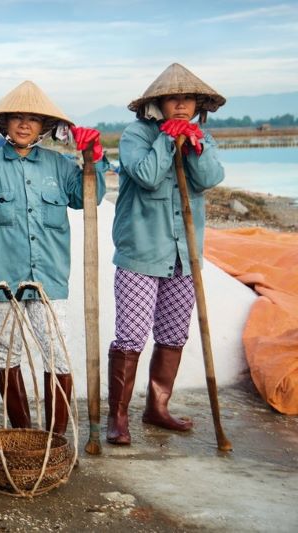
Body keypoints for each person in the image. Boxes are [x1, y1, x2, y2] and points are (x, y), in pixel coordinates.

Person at [0, 81, 107, 435]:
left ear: (44, 127)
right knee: (3, 355)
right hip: (1, 279)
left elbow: (89, 198)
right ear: (3, 125)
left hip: (49, 279)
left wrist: (93, 161)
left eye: (32, 119)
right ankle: (23, 431)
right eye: (16, 119)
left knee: (56, 352)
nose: (24, 125)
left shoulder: (60, 166)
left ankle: (55, 437)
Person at [107, 63, 226, 445]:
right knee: (130, 336)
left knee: (173, 333)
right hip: (141, 252)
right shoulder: (135, 135)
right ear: (157, 103)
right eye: (173, 98)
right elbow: (145, 175)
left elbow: (209, 179)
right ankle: (118, 417)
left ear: (196, 104)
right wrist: (165, 140)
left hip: (183, 256)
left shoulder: (201, 135)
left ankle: (158, 408)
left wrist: (194, 144)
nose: (180, 105)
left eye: (187, 99)